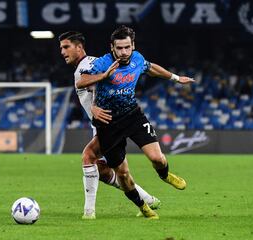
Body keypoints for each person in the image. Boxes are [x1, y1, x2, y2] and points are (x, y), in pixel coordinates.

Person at [77, 25, 194, 217]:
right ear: (112, 47)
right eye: (119, 48)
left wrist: (175, 78)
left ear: (133, 45)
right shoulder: (102, 63)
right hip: (108, 123)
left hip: (132, 116)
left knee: (157, 158)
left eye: (127, 47)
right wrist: (105, 75)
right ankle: (143, 206)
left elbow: (151, 68)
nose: (124, 52)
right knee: (122, 174)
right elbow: (81, 82)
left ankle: (165, 176)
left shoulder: (137, 58)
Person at [59, 31, 161, 219]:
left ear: (79, 47)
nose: (62, 52)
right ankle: (148, 199)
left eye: (66, 47)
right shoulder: (83, 66)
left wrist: (96, 106)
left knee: (88, 157)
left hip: (111, 123)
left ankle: (89, 212)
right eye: (61, 48)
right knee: (105, 171)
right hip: (102, 125)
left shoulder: (89, 64)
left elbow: (106, 83)